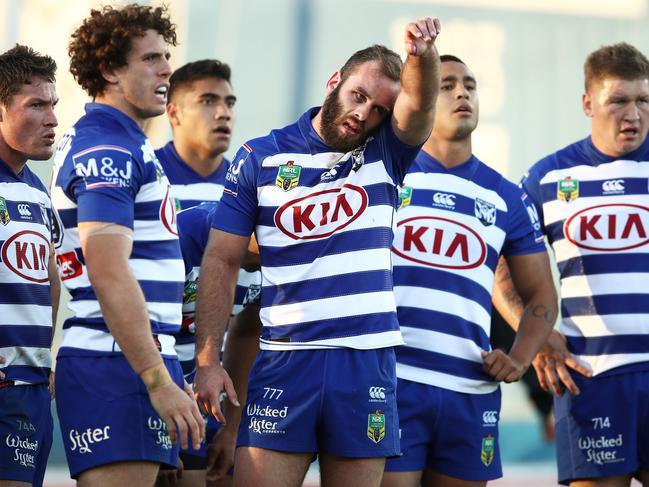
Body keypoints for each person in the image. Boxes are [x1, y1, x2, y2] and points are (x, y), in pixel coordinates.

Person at [193, 17, 442, 487]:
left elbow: (422, 102)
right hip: (286, 360)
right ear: (334, 82)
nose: (366, 113)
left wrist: (422, 55)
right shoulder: (260, 157)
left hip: (364, 360)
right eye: (358, 96)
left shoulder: (385, 152)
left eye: (380, 109)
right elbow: (221, 260)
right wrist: (208, 360)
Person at [381, 55, 557, 487]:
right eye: (447, 85)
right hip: (393, 382)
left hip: (471, 391)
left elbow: (542, 296)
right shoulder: (385, 172)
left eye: (470, 85)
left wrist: (519, 359)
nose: (462, 92)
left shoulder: (505, 196)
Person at [50, 4, 203, 486]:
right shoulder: (109, 148)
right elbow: (108, 269)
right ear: (111, 70)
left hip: (134, 360)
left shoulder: (124, 142)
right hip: (117, 364)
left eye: (167, 56)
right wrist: (158, 380)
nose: (166, 70)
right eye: (152, 59)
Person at [493, 42, 649, 487]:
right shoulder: (547, 177)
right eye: (618, 101)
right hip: (590, 380)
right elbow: (499, 262)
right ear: (588, 104)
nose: (633, 114)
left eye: (643, 100)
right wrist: (535, 335)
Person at [157, 202, 262, 487]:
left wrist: (231, 428)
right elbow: (139, 330)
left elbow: (248, 333)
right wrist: (159, 437)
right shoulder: (183, 237)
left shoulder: (284, 258)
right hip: (142, 384)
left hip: (195, 393)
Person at [0, 44, 59, 487]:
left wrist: (44, 358)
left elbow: (50, 281)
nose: (52, 120)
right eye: (35, 105)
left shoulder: (38, 191)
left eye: (52, 105)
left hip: (33, 386)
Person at [156, 59, 236, 210]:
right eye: (208, 101)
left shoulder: (246, 188)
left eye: (230, 104)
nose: (224, 113)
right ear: (174, 114)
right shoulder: (144, 174)